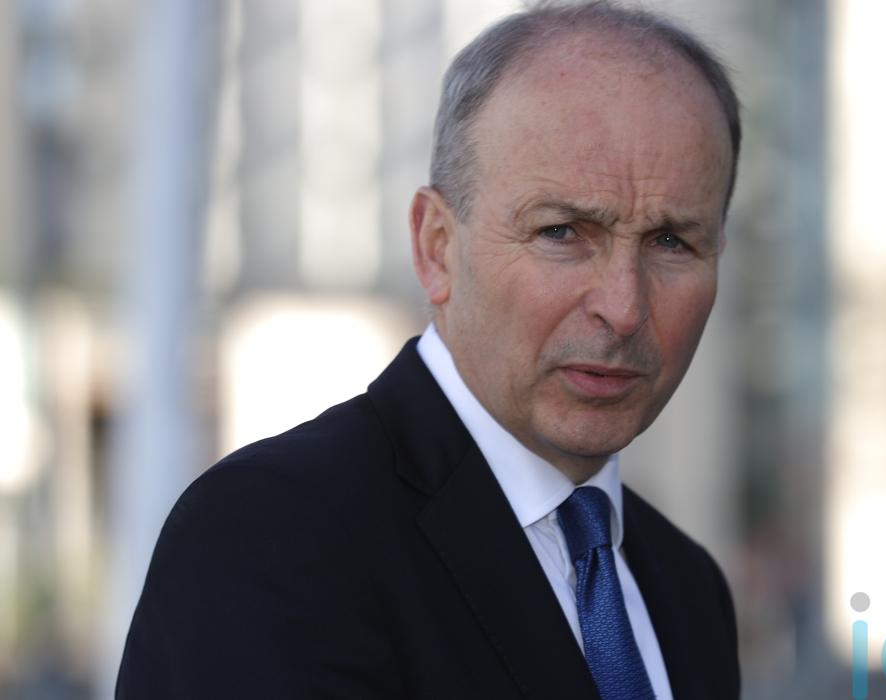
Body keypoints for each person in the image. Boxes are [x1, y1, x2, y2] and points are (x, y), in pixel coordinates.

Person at [116, 1, 742, 698]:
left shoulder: (688, 591)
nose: (623, 308)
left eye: (671, 242)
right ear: (436, 247)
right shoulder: (267, 537)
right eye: (562, 233)